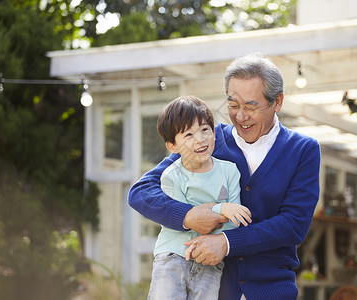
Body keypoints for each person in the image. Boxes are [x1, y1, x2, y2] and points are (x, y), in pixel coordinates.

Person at [129, 53, 321, 300]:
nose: (240, 116)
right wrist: (187, 216)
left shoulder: (302, 150)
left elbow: (293, 224)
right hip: (213, 290)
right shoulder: (207, 141)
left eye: (251, 106)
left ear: (278, 101)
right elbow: (141, 191)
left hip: (271, 291)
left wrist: (227, 242)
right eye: (232, 105)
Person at [144, 95, 252, 300]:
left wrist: (224, 216)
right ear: (173, 147)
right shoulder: (171, 175)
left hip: (210, 262)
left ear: (214, 132)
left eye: (205, 130)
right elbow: (192, 218)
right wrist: (221, 209)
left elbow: (234, 219)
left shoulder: (229, 171)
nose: (200, 139)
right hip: (174, 256)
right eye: (189, 135)